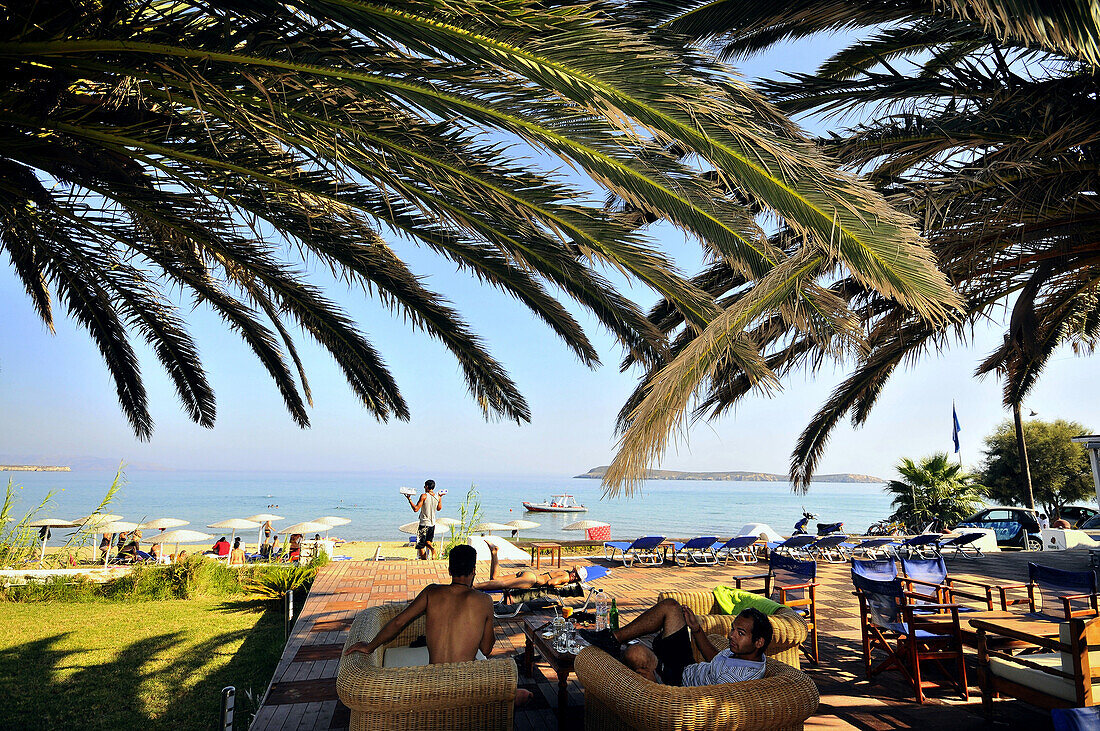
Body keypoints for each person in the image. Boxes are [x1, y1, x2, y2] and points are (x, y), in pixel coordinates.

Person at [342, 545, 533, 705]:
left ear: (450, 571)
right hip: (465, 680)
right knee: (523, 694)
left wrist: (369, 647)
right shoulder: (483, 601)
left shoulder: (431, 592)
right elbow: (486, 648)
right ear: (474, 571)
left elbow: (399, 621)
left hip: (434, 678)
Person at [580, 599, 771, 687]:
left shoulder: (738, 679)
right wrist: (696, 629)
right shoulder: (747, 654)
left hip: (677, 684)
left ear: (758, 641)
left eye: (740, 633)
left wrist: (661, 687)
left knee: (635, 654)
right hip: (686, 666)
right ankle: (614, 639)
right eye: (733, 629)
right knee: (671, 607)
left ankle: (621, 648)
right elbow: (715, 660)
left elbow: (700, 705)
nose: (731, 636)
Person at [474, 543, 585, 601]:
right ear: (573, 571)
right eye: (576, 575)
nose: (574, 578)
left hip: (529, 575)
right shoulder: (565, 577)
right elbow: (551, 583)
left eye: (577, 578)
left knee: (496, 579)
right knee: (502, 585)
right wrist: (564, 584)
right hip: (531, 580)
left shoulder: (564, 571)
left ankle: (494, 553)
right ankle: (474, 586)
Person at [407, 479, 443, 560]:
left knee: (420, 544)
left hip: (424, 523)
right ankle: (432, 549)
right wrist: (440, 499)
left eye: (424, 486)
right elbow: (439, 508)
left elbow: (416, 509)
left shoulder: (424, 496)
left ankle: (424, 559)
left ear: (427, 487)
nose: (424, 487)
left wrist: (409, 499)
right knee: (428, 542)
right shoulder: (438, 497)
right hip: (432, 524)